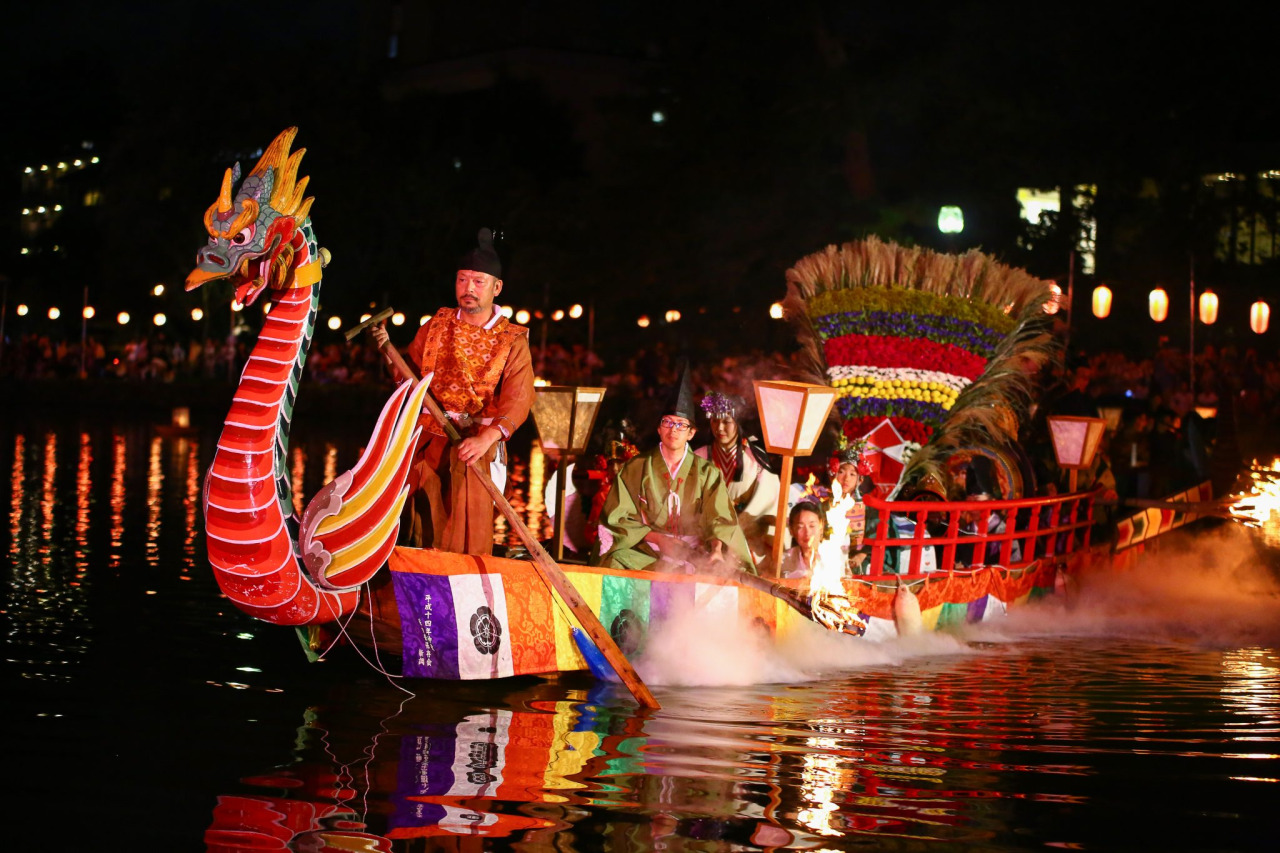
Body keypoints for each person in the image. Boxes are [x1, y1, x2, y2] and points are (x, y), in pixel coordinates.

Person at [371, 228, 535, 554]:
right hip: (428, 436)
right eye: (462, 280)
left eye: (478, 282)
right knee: (418, 522)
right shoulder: (436, 324)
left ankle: (463, 594)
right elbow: (411, 380)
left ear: (496, 288)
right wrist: (390, 354)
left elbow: (519, 396)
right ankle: (413, 591)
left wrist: (487, 439)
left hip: (474, 442)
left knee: (466, 528)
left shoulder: (512, 339)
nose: (468, 289)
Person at [595, 368, 755, 572]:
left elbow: (720, 520)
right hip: (649, 548)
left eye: (681, 425)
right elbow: (617, 518)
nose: (673, 430)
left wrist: (715, 549)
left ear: (691, 433)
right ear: (659, 428)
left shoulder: (707, 473)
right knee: (615, 560)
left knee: (732, 572)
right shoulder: (636, 467)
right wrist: (659, 539)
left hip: (695, 552)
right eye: (668, 422)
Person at [693, 391, 780, 564]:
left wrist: (744, 524)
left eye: (726, 422)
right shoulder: (698, 457)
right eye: (715, 421)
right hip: (704, 538)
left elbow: (771, 500)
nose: (719, 428)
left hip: (747, 540)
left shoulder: (756, 458)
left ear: (738, 423)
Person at [779, 501, 825, 581]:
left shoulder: (833, 557)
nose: (807, 532)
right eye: (800, 527)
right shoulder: (784, 559)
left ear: (821, 527)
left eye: (812, 526)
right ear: (791, 530)